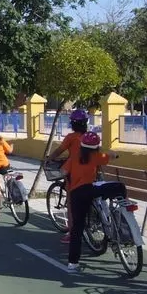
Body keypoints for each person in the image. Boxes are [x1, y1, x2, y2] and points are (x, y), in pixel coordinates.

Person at [62, 132, 119, 272]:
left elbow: (63, 171)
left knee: (77, 228)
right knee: (119, 187)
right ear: (95, 147)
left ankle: (73, 263)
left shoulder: (74, 158)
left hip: (77, 194)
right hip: (91, 190)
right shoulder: (97, 157)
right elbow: (112, 155)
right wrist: (102, 150)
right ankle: (122, 208)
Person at [49, 109, 89, 243]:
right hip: (92, 171)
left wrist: (49, 158)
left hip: (75, 173)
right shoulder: (91, 136)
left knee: (71, 204)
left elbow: (59, 150)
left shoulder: (71, 137)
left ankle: (72, 233)